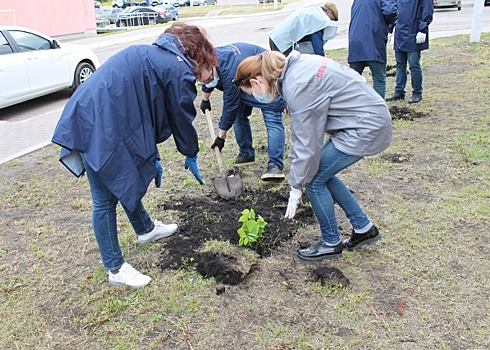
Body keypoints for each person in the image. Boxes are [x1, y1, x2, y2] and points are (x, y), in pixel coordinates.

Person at [51, 23, 217, 288]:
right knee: (104, 199)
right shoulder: (177, 69)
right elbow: (181, 118)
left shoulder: (157, 54)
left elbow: (144, 110)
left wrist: (150, 156)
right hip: (98, 122)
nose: (202, 79)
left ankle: (145, 229)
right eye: (206, 71)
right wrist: (190, 152)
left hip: (97, 112)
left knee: (127, 174)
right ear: (198, 54)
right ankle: (115, 268)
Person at [234, 51, 392, 261]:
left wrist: (296, 185)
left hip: (364, 126)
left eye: (251, 92)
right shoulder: (296, 67)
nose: (256, 97)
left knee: (314, 179)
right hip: (361, 118)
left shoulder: (298, 85)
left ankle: (330, 242)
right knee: (321, 172)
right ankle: (364, 228)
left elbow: (306, 143)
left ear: (255, 82)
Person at [199, 43, 286, 180]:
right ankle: (246, 154)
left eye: (210, 79)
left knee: (272, 119)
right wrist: (206, 99)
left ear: (213, 65)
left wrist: (221, 137)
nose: (209, 83)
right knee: (239, 117)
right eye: (204, 82)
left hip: (266, 79)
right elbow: (208, 80)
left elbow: (230, 107)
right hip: (243, 82)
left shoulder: (229, 72)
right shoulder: (206, 62)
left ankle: (275, 165)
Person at [386, 0, 434, 104]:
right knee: (400, 64)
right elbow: (393, 9)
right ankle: (399, 91)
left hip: (414, 30)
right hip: (400, 31)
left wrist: (422, 29)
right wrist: (389, 29)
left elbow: (427, 10)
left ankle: (417, 92)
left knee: (414, 64)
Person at [347, 0, 398, 98]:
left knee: (352, 80)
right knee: (379, 79)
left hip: (356, 41)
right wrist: (392, 22)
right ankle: (377, 110)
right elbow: (390, 12)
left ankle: (351, 109)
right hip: (374, 40)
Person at [268, 2, 338, 57]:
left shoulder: (312, 12)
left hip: (276, 38)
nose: (329, 22)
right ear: (328, 12)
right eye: (331, 19)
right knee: (287, 69)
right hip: (282, 43)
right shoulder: (319, 20)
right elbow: (317, 44)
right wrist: (322, 59)